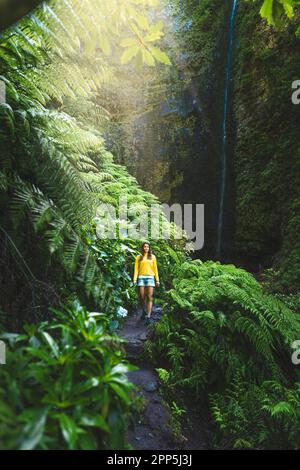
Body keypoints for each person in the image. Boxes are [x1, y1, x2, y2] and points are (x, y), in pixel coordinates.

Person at [133, 242, 160, 325]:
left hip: (150, 278)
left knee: (149, 297)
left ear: (149, 248)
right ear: (142, 248)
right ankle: (144, 311)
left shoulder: (153, 257)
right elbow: (136, 269)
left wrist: (157, 280)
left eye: (147, 247)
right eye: (144, 247)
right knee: (141, 296)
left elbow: (155, 269)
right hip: (141, 277)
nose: (146, 248)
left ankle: (148, 316)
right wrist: (134, 279)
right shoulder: (138, 257)